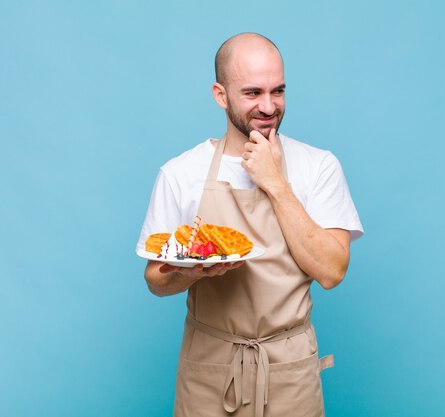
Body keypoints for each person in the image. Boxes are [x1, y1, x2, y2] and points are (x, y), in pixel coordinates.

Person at [136, 32, 363, 417]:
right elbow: (156, 278)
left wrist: (275, 183)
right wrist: (195, 273)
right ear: (220, 95)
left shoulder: (319, 166)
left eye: (278, 91)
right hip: (210, 367)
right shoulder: (180, 173)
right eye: (253, 93)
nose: (269, 106)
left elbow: (331, 271)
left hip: (289, 368)